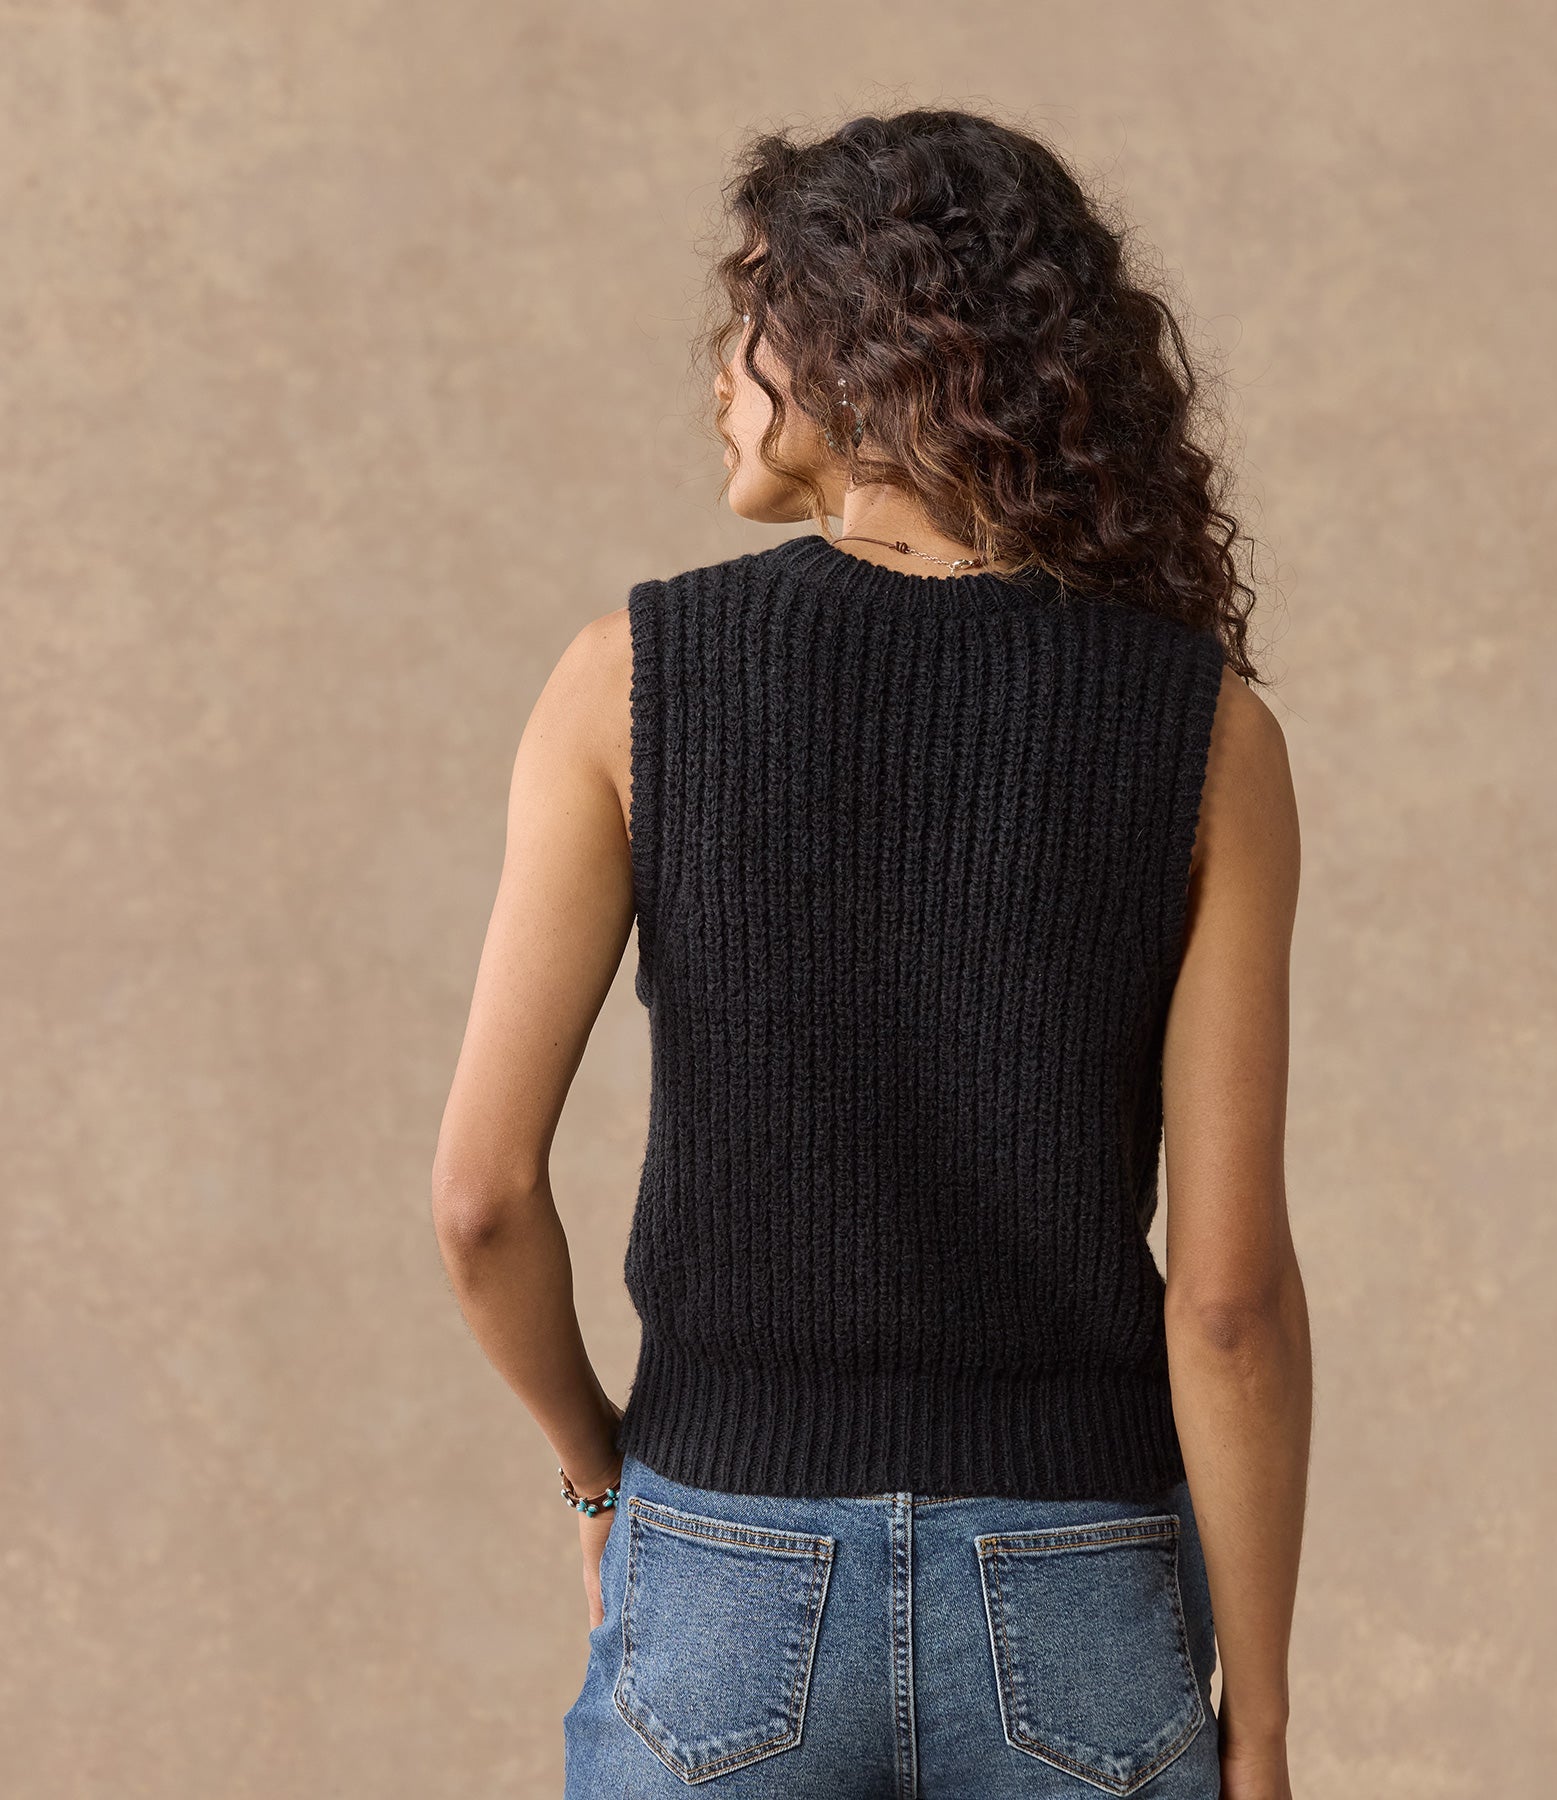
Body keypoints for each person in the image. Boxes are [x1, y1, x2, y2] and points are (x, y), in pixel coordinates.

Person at [433, 106, 1308, 1800]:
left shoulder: (630, 679)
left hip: (720, 1567)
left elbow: (479, 1201)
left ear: (860, 345)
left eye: (748, 315)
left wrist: (601, 1478)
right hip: (1078, 1591)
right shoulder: (1207, 733)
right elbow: (1228, 1306)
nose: (719, 374)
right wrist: (1258, 1725)